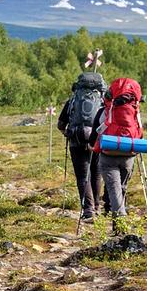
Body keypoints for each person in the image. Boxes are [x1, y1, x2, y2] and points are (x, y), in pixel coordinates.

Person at [88, 77, 144, 231]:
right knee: (122, 188)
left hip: (108, 155)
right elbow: (140, 133)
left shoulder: (104, 111)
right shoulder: (135, 111)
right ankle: (118, 225)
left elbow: (94, 135)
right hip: (129, 155)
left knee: (114, 189)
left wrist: (91, 145)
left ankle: (120, 225)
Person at [57, 72, 106, 223]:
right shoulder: (103, 101)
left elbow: (60, 124)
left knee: (83, 177)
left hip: (76, 140)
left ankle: (88, 211)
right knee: (96, 174)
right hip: (97, 141)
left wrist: (67, 133)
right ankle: (97, 207)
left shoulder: (72, 100)